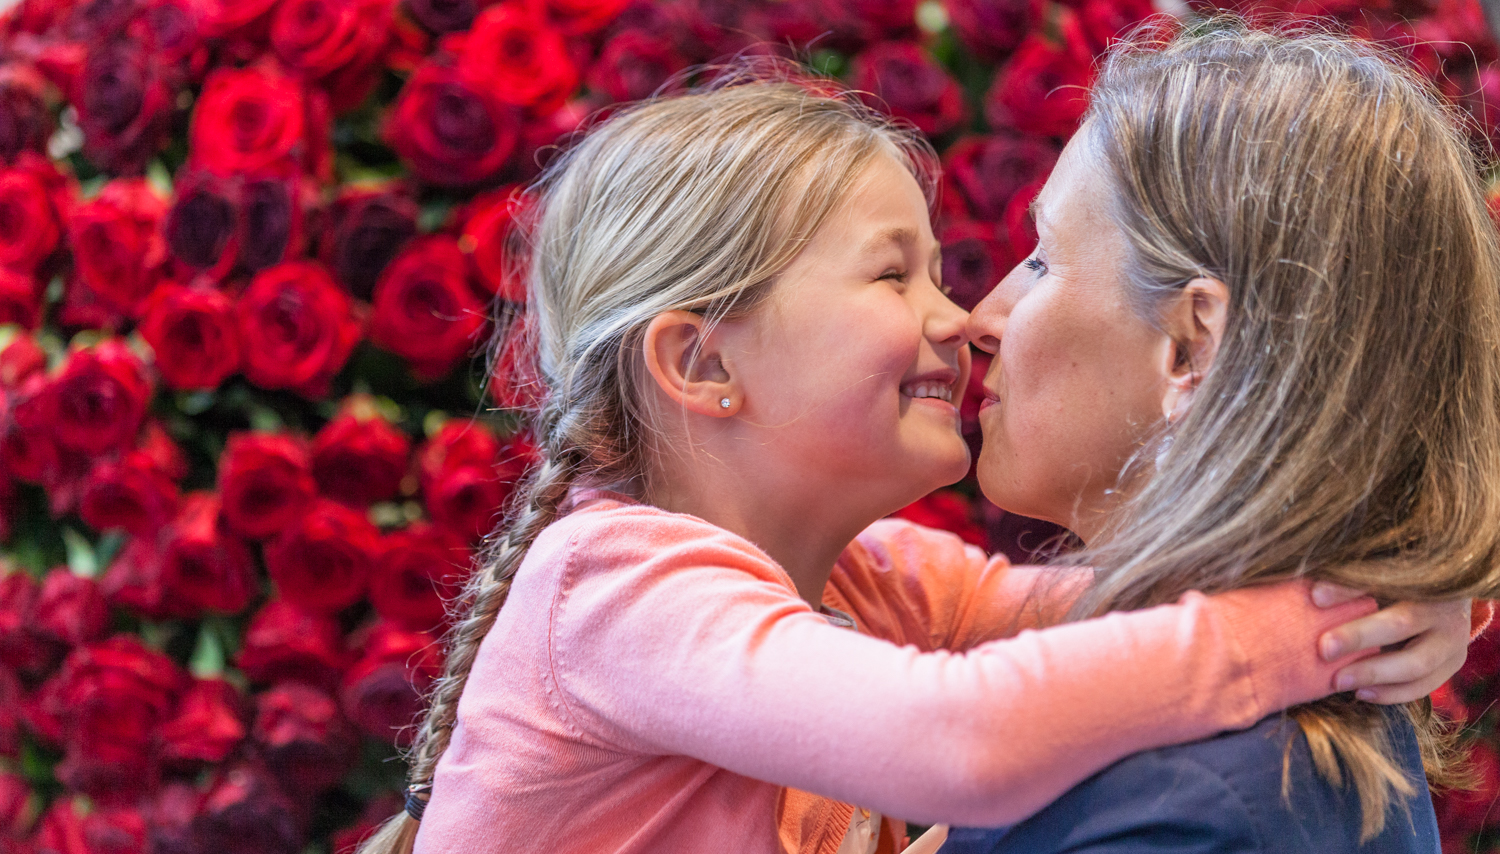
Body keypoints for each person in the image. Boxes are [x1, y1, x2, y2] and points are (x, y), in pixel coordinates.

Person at [358, 71, 1475, 854]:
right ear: (700, 360)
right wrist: (1307, 630)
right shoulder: (612, 585)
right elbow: (964, 734)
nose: (964, 317)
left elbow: (1085, 613)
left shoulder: (873, 573)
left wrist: (1384, 596)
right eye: (895, 277)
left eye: (1020, 264)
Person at [944, 23, 1500, 854]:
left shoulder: (1180, 809)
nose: (979, 320)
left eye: (1044, 261)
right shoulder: (1226, 733)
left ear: (1190, 351)